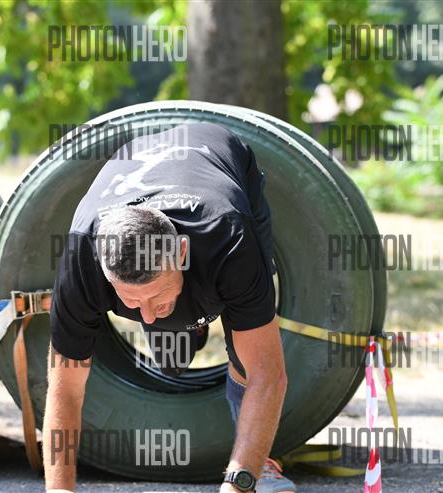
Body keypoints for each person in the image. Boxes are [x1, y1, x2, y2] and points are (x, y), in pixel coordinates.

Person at [44, 122, 295, 493]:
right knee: (171, 358)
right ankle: (186, 320)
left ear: (181, 253)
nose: (145, 316)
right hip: (135, 157)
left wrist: (239, 483)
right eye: (130, 301)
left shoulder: (228, 238)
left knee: (245, 350)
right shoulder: (83, 258)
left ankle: (263, 464)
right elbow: (65, 389)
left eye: (156, 297)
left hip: (219, 157)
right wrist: (59, 491)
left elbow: (268, 375)